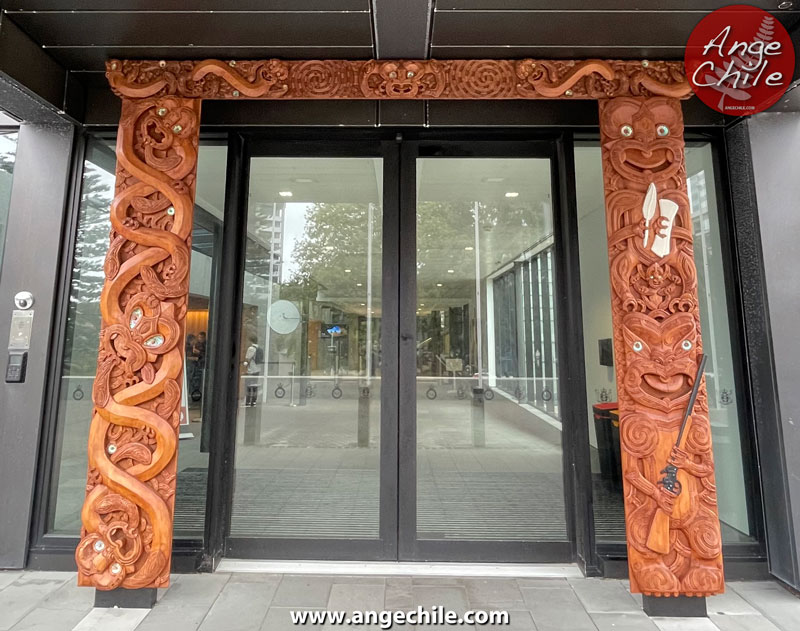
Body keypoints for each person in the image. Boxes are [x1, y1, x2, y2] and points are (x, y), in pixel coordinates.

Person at [243, 335, 263, 406]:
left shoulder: (251, 348)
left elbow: (248, 358)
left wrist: (245, 364)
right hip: (257, 369)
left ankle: (248, 401)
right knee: (255, 385)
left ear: (251, 341)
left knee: (248, 385)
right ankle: (254, 401)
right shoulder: (259, 348)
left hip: (251, 370)